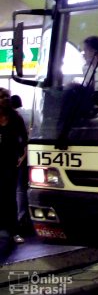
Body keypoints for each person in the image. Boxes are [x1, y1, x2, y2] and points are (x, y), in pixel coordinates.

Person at [0, 89, 27, 246]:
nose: (5, 99)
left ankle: (14, 231)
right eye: (1, 97)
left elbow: (24, 139)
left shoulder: (16, 118)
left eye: (7, 96)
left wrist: (22, 157)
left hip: (10, 163)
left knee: (10, 197)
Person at [10, 95, 30, 237]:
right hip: (21, 156)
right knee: (20, 188)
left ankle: (19, 219)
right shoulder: (27, 114)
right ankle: (21, 218)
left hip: (16, 157)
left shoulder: (16, 117)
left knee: (17, 189)